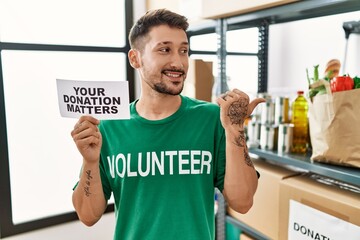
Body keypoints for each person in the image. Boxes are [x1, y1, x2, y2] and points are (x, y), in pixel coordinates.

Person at [71, 8, 265, 240]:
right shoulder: (109, 128)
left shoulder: (213, 118)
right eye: (164, 50)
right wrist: (90, 161)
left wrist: (235, 131)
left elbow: (243, 202)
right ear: (136, 58)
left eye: (183, 51)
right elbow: (87, 215)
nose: (178, 62)